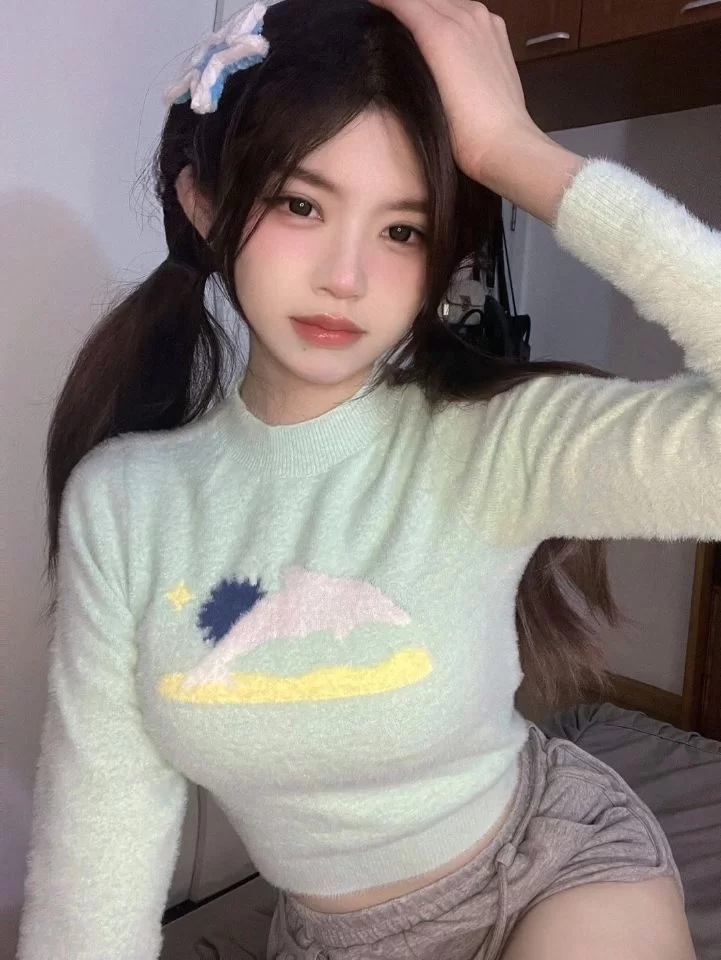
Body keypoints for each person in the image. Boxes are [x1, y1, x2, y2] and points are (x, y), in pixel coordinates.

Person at [17, 0, 719, 957]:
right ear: (205, 205)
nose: (345, 277)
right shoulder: (125, 504)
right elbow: (98, 849)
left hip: (550, 874)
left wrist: (519, 154)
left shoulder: (492, 440)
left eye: (402, 231)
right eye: (301, 205)